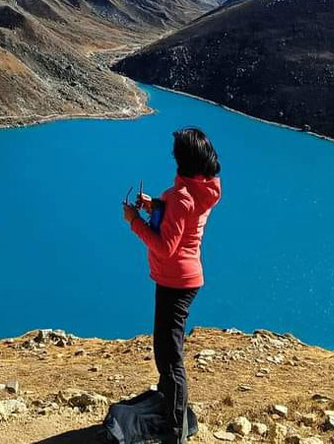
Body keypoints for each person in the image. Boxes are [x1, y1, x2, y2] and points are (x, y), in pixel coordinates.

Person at [123, 128, 222, 443]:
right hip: (182, 278)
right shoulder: (200, 190)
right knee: (166, 351)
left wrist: (134, 221)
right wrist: (153, 205)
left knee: (169, 357)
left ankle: (174, 431)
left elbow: (165, 246)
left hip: (175, 280)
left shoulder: (181, 196)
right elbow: (181, 219)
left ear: (182, 159)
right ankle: (171, 412)